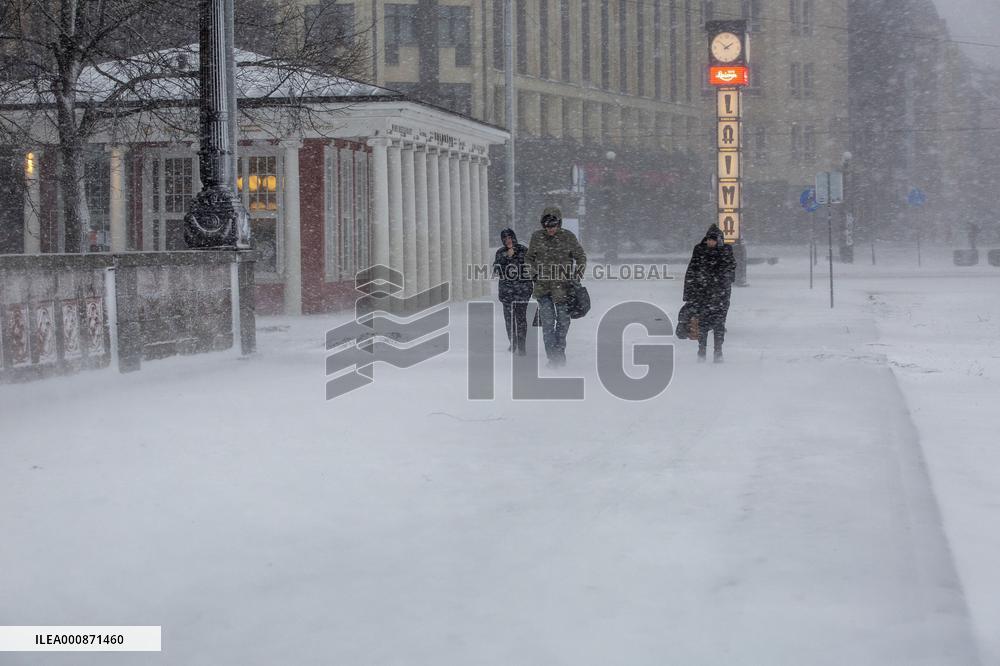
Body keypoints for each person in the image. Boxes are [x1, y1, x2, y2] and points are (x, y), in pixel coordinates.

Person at [525, 207, 587, 367]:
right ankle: (554, 358)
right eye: (547, 225)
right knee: (548, 323)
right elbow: (528, 259)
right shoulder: (537, 237)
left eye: (553, 225)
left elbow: (581, 256)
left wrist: (576, 276)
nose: (550, 229)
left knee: (563, 322)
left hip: (564, 288)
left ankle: (559, 352)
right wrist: (534, 274)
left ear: (559, 223)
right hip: (543, 288)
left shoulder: (568, 237)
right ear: (543, 225)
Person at [683, 224, 735, 363]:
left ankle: (718, 352)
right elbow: (691, 270)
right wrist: (689, 294)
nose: (710, 242)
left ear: (719, 240)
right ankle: (702, 351)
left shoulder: (725, 250)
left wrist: (718, 280)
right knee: (703, 324)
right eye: (708, 239)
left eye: (713, 240)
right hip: (703, 294)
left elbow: (730, 270)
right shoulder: (700, 250)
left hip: (720, 295)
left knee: (719, 324)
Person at [492, 228, 533, 355]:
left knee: (521, 319)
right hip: (507, 292)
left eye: (510, 238)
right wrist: (507, 257)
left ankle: (521, 346)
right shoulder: (500, 252)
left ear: (514, 238)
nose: (508, 240)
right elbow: (496, 270)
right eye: (505, 239)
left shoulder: (523, 250)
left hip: (522, 291)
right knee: (509, 320)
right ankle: (513, 341)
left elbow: (530, 269)